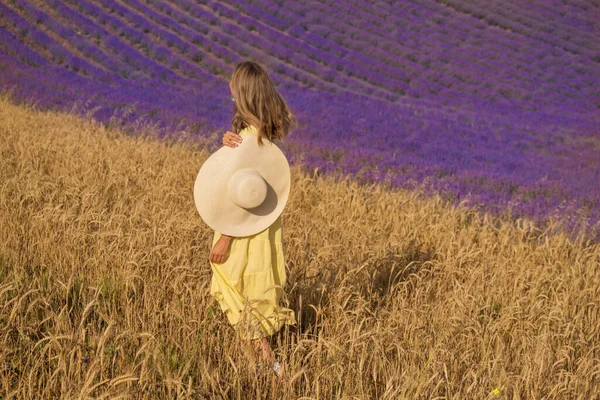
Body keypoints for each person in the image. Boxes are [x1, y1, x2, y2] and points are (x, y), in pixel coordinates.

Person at [209, 61, 298, 378]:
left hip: (242, 229)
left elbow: (243, 197)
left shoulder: (248, 140)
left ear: (242, 92)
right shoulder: (259, 137)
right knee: (248, 299)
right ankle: (259, 371)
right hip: (260, 227)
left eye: (233, 83)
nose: (229, 87)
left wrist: (226, 237)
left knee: (239, 297)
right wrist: (228, 147)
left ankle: (273, 372)